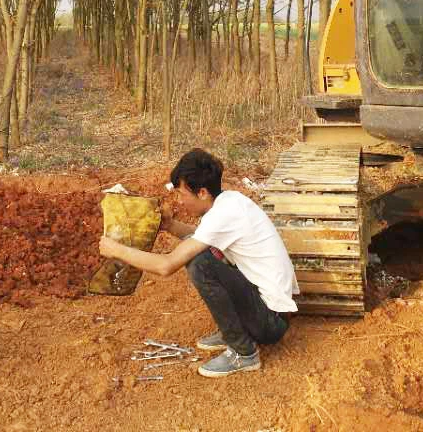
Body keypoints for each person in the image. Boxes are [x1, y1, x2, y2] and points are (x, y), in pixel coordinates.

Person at [98, 148, 297, 378]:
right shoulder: (230, 202)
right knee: (205, 253)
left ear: (202, 192)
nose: (181, 202)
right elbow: (202, 237)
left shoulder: (222, 215)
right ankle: (233, 330)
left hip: (270, 322)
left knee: (200, 262)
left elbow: (166, 265)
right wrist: (170, 225)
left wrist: (118, 250)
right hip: (270, 310)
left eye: (183, 194)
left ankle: (244, 352)